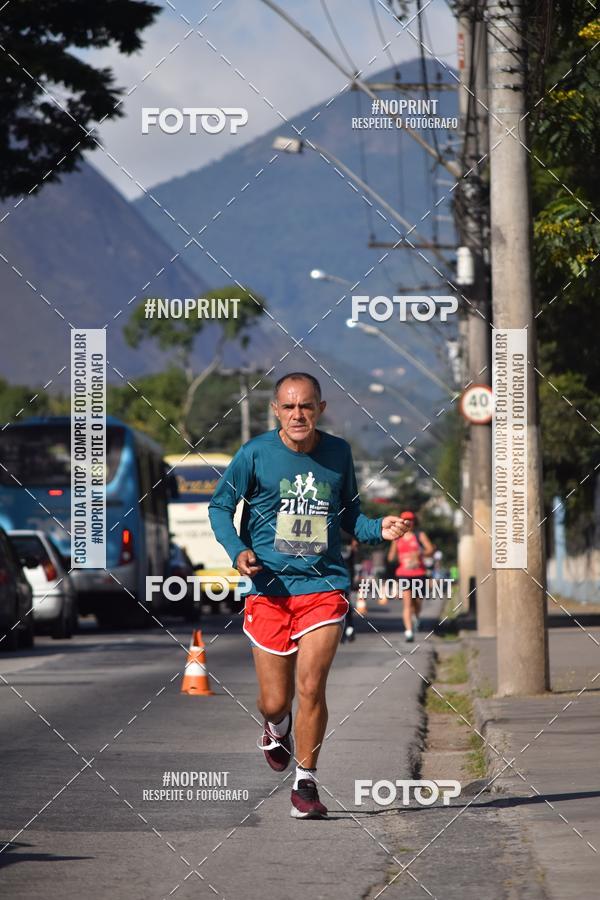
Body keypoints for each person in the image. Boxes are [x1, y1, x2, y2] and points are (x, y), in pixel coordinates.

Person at [208, 372, 409, 819]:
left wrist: (381, 530)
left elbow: (351, 517)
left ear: (320, 408)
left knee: (312, 686)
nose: (298, 414)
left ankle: (306, 783)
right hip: (270, 589)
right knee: (275, 700)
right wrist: (238, 550)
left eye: (307, 406)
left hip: (324, 586)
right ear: (276, 410)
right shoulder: (255, 454)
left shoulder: (339, 453)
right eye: (289, 406)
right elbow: (220, 506)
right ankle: (276, 727)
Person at [386, 510, 434, 642]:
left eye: (410, 520)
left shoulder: (419, 535)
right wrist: (395, 557)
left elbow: (430, 549)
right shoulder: (397, 538)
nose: (408, 523)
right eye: (405, 520)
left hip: (419, 573)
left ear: (414, 522)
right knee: (407, 604)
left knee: (417, 602)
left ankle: (416, 617)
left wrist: (420, 554)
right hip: (403, 574)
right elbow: (391, 557)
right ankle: (408, 631)